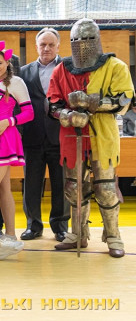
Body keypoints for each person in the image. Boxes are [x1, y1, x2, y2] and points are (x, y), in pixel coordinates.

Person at [48, 18, 134, 258]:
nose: (82, 44)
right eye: (76, 39)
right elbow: (53, 102)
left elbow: (124, 100)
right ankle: (78, 233)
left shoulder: (115, 66)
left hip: (102, 135)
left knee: (105, 188)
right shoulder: (62, 69)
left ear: (96, 39)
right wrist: (66, 115)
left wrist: (91, 101)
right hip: (71, 135)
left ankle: (113, 236)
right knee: (74, 187)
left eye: (86, 39)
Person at [0, 43, 34, 245]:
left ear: (7, 62)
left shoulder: (15, 82)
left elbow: (29, 113)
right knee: (3, 188)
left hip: (5, 138)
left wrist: (8, 121)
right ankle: (10, 234)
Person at [18, 28, 68, 242]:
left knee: (61, 184)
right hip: (32, 135)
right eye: (42, 45)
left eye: (51, 44)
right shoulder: (23, 72)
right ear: (36, 46)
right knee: (31, 184)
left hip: (60, 135)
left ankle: (60, 226)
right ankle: (33, 226)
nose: (46, 48)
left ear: (58, 46)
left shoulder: (68, 68)